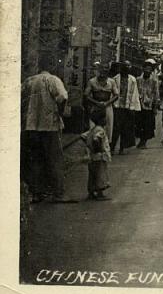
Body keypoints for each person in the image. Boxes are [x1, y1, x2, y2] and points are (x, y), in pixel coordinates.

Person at [21, 59, 70, 203]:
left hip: (31, 125)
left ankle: (37, 192)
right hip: (49, 125)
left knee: (35, 159)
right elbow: (62, 97)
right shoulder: (53, 80)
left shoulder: (29, 81)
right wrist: (59, 114)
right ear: (51, 67)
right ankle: (58, 193)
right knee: (54, 159)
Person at [81, 108, 112, 200]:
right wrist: (98, 148)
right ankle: (100, 193)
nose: (105, 120)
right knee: (100, 174)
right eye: (104, 118)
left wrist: (89, 145)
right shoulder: (100, 130)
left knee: (92, 175)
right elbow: (96, 139)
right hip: (99, 156)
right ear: (101, 120)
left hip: (92, 156)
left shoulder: (92, 129)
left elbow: (83, 136)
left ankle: (91, 192)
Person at [111, 61, 141, 155]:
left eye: (128, 65)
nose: (127, 67)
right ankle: (112, 147)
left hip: (128, 107)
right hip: (117, 106)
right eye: (125, 66)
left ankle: (122, 148)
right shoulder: (115, 79)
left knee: (126, 128)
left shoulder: (132, 79)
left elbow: (135, 94)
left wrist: (133, 107)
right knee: (115, 128)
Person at [84, 61, 119, 142]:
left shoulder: (111, 81)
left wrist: (107, 103)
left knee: (108, 128)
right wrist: (96, 103)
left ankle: (106, 148)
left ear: (108, 70)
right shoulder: (92, 81)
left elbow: (116, 95)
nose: (103, 71)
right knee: (93, 129)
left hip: (107, 107)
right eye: (101, 69)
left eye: (106, 69)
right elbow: (86, 95)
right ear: (98, 70)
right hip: (95, 107)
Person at [136, 59, 159, 148]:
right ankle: (141, 141)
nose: (147, 71)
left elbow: (156, 94)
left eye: (149, 69)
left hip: (149, 105)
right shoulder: (138, 80)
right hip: (139, 105)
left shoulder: (154, 81)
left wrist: (155, 106)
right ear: (143, 69)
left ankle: (144, 141)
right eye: (146, 69)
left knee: (147, 125)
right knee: (139, 124)